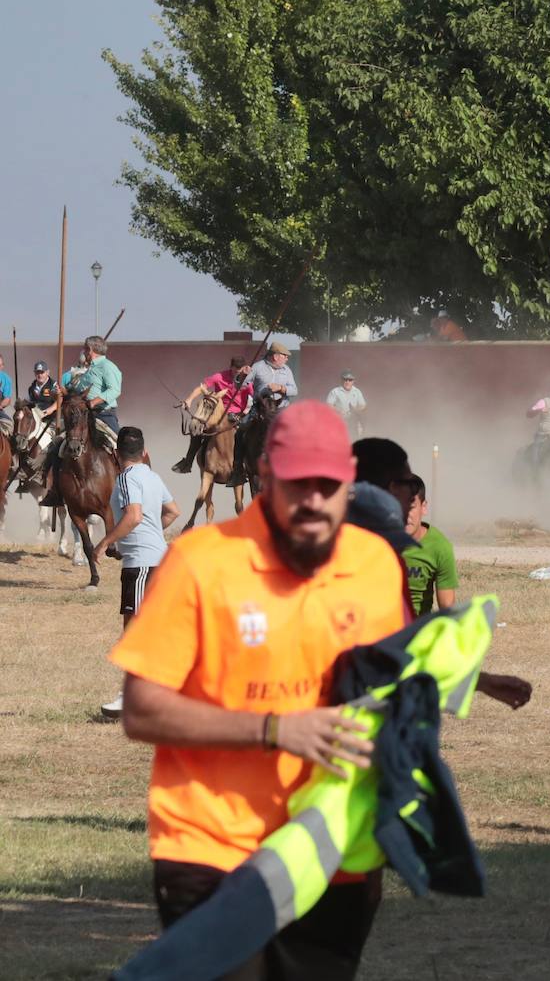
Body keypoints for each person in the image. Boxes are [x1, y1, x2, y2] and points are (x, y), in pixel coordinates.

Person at [109, 401, 408, 975]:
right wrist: (275, 729)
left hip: (332, 850)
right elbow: (141, 711)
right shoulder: (200, 562)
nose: (315, 500)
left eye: (331, 484)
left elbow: (392, 689)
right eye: (300, 483)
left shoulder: (375, 564)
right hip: (212, 848)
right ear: (267, 474)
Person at [352, 435, 532, 710]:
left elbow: (419, 638)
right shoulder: (348, 554)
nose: (404, 510)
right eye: (399, 496)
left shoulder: (415, 551)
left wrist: (478, 681)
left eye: (410, 501)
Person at [94, 427, 180, 719]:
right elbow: (173, 511)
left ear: (117, 455)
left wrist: (106, 541)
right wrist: (150, 535)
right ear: (144, 452)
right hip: (157, 560)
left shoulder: (126, 478)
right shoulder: (153, 477)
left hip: (141, 564)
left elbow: (133, 516)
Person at [41, 336, 123, 507]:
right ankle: (56, 491)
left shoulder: (108, 367)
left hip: (103, 414)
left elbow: (115, 390)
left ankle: (125, 486)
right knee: (58, 445)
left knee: (118, 445)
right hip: (82, 416)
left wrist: (95, 401)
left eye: (85, 349)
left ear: (91, 350)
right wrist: (62, 391)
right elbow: (76, 391)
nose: (84, 352)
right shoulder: (88, 371)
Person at [172, 356, 253, 474]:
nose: (238, 372)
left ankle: (250, 466)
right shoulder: (219, 377)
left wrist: (246, 411)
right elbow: (202, 388)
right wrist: (189, 400)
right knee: (197, 430)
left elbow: (254, 396)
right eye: (236, 369)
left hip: (239, 414)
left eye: (240, 370)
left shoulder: (248, 380)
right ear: (231, 367)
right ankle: (188, 462)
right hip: (219, 414)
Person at [400, 476, 459, 615]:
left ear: (423, 507)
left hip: (417, 630)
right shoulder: (377, 542)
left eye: (411, 507)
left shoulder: (439, 548)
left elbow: (447, 608)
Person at [246, 341, 299, 416]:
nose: (287, 359)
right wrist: (242, 376)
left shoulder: (287, 370)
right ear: (275, 356)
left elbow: (294, 391)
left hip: (281, 410)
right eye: (285, 356)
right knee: (244, 425)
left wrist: (281, 388)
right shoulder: (257, 367)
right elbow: (242, 385)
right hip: (260, 410)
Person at [325, 370, 368, 437]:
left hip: (353, 422)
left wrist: (356, 409)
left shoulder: (357, 391)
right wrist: (338, 410)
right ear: (342, 380)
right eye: (345, 379)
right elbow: (328, 405)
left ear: (353, 381)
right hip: (339, 422)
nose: (347, 382)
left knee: (354, 440)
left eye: (350, 380)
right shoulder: (335, 391)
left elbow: (363, 405)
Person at [0, 353, 12, 436]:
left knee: (9, 424)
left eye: (0, 365)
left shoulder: (6, 379)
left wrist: (0, 404)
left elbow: (7, 399)